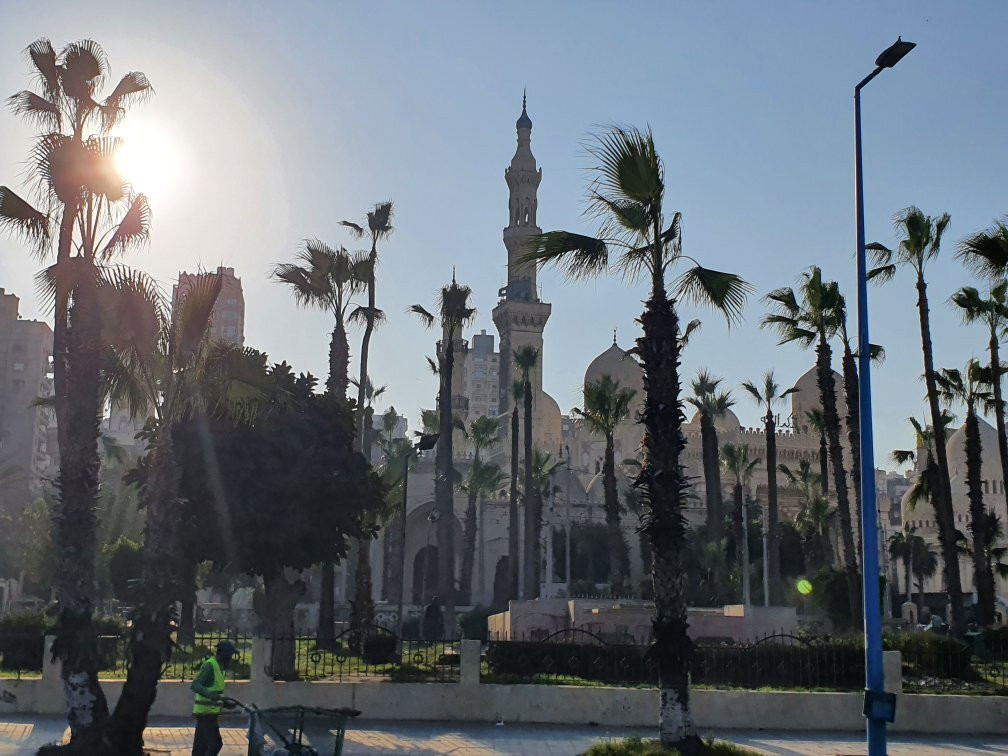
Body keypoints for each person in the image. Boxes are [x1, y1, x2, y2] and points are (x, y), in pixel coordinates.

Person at [190, 640, 237, 756]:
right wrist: (211, 695)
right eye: (229, 655)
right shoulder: (210, 666)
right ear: (223, 654)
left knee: (200, 748)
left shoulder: (219, 668)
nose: (231, 658)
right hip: (206, 715)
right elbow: (195, 685)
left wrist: (224, 704)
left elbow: (215, 692)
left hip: (209, 714)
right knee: (215, 744)